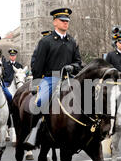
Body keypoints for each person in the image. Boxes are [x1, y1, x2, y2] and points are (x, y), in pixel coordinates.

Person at [25, 8, 82, 148]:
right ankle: (34, 132)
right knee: (40, 102)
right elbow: (37, 66)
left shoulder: (72, 41)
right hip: (50, 79)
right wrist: (37, 84)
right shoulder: (46, 41)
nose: (65, 23)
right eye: (62, 21)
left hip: (69, 78)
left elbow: (79, 62)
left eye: (67, 21)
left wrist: (73, 67)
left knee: (88, 99)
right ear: (55, 22)